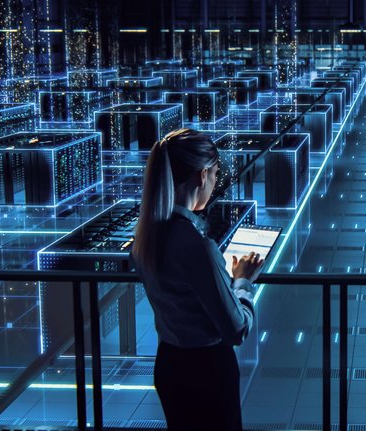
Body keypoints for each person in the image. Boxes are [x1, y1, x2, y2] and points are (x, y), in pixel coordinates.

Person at [131, 128, 264, 430]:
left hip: (169, 364)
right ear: (201, 175)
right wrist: (242, 281)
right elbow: (237, 329)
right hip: (206, 371)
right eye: (216, 175)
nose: (215, 184)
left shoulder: (146, 237)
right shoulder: (196, 245)